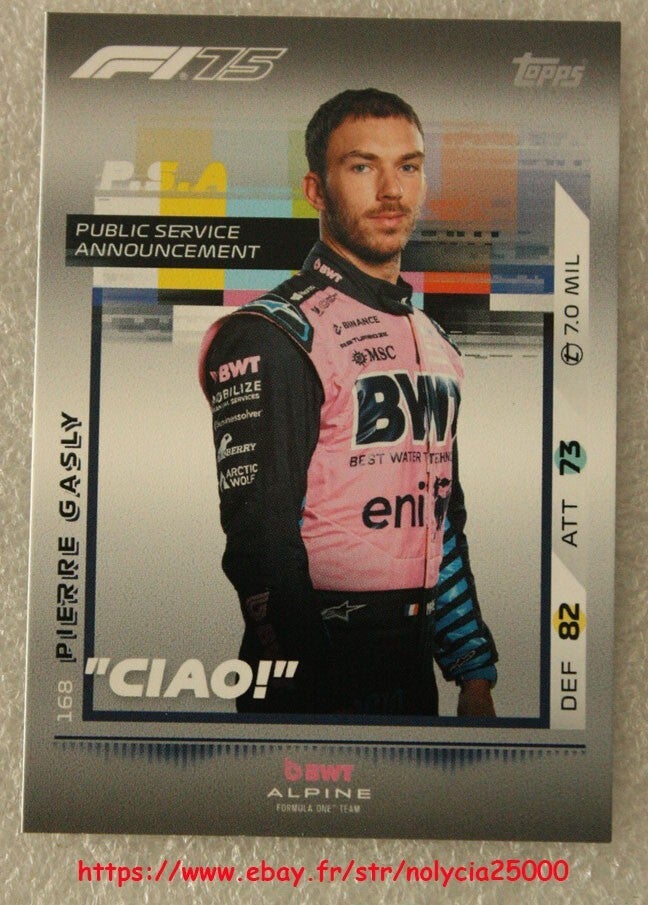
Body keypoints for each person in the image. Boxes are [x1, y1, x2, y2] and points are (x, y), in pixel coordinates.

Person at [199, 89, 498, 717]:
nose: (391, 190)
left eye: (408, 166)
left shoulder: (435, 342)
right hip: (312, 676)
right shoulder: (273, 332)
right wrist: (303, 683)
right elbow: (259, 541)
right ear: (316, 190)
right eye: (362, 167)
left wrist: (473, 675)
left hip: (412, 675)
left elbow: (440, 517)